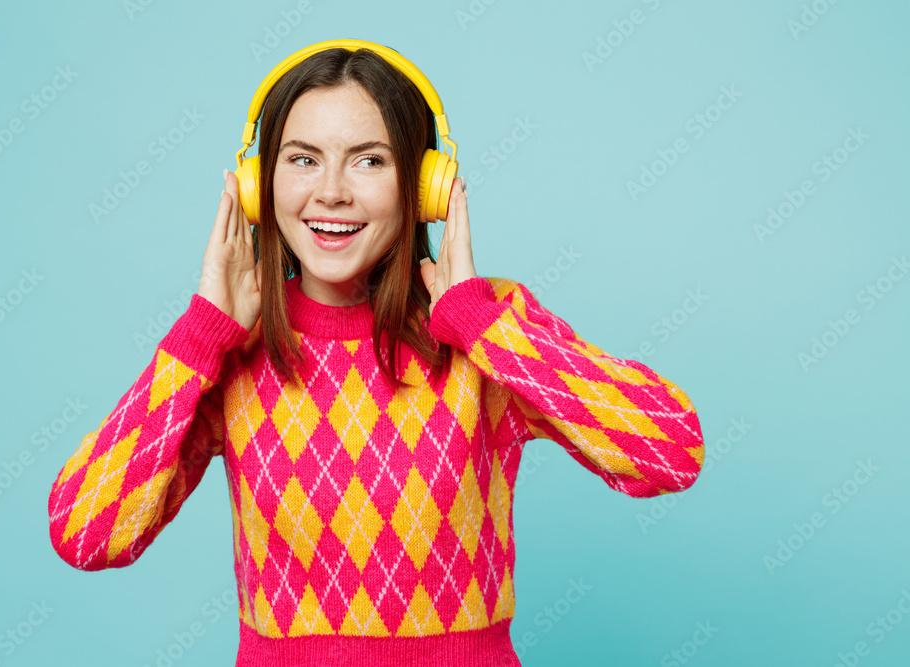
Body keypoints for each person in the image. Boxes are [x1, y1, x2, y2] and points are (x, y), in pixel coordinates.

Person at [47, 40, 705, 667]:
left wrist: (480, 322)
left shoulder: (490, 332)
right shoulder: (229, 351)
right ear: (258, 184)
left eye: (370, 160)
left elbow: (670, 452)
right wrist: (199, 336)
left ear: (424, 186)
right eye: (303, 159)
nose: (331, 190)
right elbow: (84, 534)